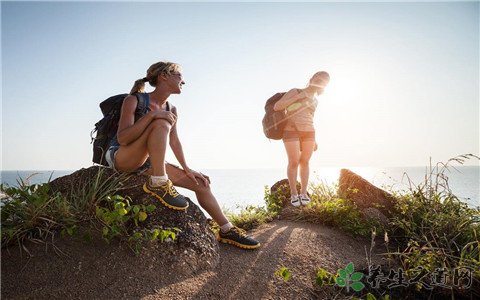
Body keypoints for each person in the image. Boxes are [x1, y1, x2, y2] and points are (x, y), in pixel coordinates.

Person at [105, 61, 260, 249]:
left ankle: (227, 230)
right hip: (123, 157)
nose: (183, 81)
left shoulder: (172, 109)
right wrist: (152, 116)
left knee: (201, 184)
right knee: (161, 123)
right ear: (164, 76)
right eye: (179, 76)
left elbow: (174, 142)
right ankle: (159, 182)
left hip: (147, 163)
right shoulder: (134, 100)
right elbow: (122, 138)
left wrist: (188, 169)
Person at [273, 71, 330, 207]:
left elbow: (310, 117)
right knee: (293, 162)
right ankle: (294, 193)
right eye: (318, 78)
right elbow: (277, 106)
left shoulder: (315, 100)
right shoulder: (295, 91)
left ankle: (303, 193)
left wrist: (315, 140)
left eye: (323, 81)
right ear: (312, 78)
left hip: (309, 132)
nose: (319, 81)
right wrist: (300, 96)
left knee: (305, 161)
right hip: (291, 130)